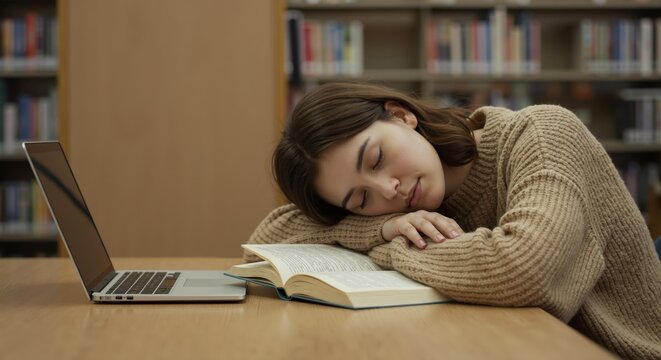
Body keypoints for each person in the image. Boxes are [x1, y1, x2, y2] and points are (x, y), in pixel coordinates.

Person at [245, 82, 661, 359]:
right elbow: (269, 236)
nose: (388, 190)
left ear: (402, 115)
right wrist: (379, 226)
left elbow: (523, 267)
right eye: (360, 198)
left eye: (377, 158)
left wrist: (392, 245)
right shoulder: (398, 212)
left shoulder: (543, 133)